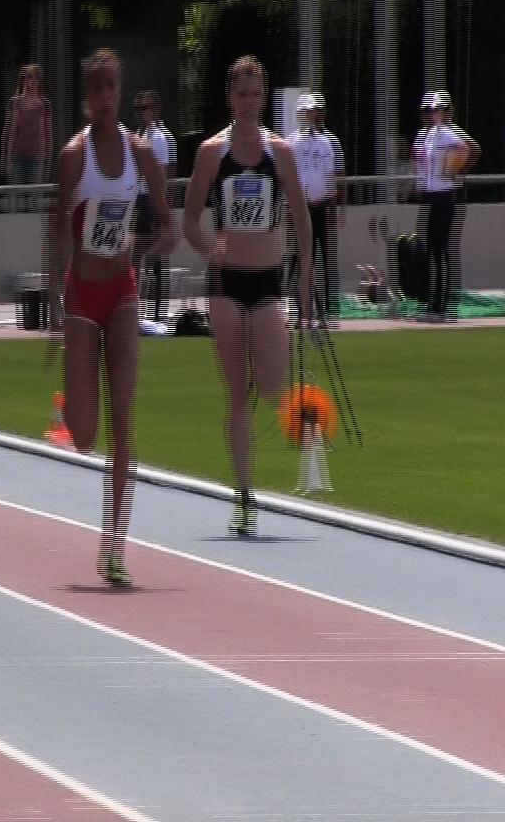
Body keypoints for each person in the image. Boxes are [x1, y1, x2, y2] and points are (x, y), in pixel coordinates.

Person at [53, 50, 175, 586]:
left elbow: (168, 227)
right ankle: (69, 402)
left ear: (120, 92)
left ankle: (113, 546)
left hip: (123, 292)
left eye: (111, 87)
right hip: (83, 294)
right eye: (96, 88)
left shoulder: (142, 154)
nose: (104, 96)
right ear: (87, 95)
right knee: (84, 435)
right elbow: (57, 228)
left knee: (124, 423)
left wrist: (138, 244)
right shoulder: (73, 156)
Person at [183, 55, 312, 537]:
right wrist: (205, 245)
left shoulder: (281, 152)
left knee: (275, 385)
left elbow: (301, 217)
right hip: (226, 282)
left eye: (257, 93)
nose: (250, 101)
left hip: (269, 278)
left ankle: (253, 479)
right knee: (239, 393)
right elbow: (190, 219)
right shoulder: (212, 153)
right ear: (229, 97)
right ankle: (244, 494)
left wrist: (304, 280)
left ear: (265, 97)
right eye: (242, 93)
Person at [412, 90, 475, 323]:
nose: (429, 115)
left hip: (445, 195)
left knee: (443, 249)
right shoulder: (426, 135)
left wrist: (453, 172)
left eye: (433, 110)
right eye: (426, 111)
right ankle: (432, 301)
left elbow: (467, 149)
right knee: (431, 250)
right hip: (429, 195)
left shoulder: (448, 133)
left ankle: (446, 304)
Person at [286, 92, 345, 326]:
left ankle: (328, 312)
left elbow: (332, 176)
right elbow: (286, 177)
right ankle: (298, 310)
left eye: (314, 111)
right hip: (300, 210)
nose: (311, 116)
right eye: (307, 111)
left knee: (327, 259)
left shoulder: (325, 142)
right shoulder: (290, 142)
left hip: (321, 207)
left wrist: (336, 207)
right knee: (301, 260)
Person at [131, 88, 176, 321]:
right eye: (137, 109)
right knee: (138, 254)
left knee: (155, 255)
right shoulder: (139, 134)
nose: (141, 114)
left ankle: (158, 312)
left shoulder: (158, 137)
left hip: (151, 197)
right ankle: (140, 307)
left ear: (156, 110)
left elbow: (162, 172)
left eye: (145, 108)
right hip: (139, 197)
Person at [1, 64, 52, 207]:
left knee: (35, 199)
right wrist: (6, 159)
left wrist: (45, 160)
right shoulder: (16, 102)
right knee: (15, 198)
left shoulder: (43, 104)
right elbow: (10, 131)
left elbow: (45, 134)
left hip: (35, 156)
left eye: (35, 78)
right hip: (18, 155)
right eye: (28, 78)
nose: (32, 81)